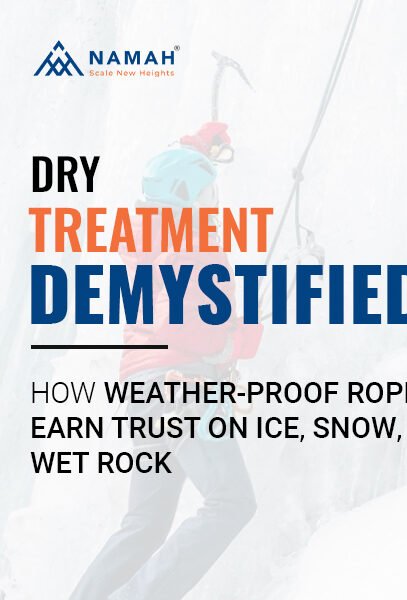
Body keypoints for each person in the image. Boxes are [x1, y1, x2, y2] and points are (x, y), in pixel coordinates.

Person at [71, 122, 261, 599]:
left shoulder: (149, 228)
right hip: (179, 385)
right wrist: (235, 336)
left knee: (145, 524)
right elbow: (185, 321)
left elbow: (170, 174)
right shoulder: (184, 239)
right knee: (231, 501)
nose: (214, 202)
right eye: (207, 194)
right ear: (186, 198)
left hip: (146, 388)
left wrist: (198, 149)